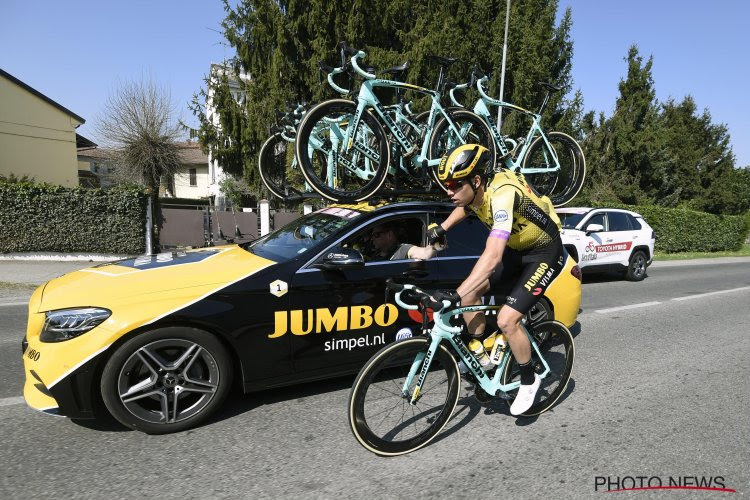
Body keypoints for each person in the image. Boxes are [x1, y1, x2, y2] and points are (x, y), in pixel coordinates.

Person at [429, 143, 565, 416]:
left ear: (476, 180)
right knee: (470, 295)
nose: (449, 191)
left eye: (455, 184)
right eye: (447, 185)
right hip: (518, 251)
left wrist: (454, 295)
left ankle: (529, 379)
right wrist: (442, 228)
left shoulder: (503, 195)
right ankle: (482, 356)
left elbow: (491, 257)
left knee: (506, 319)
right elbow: (467, 207)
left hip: (545, 251)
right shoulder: (475, 193)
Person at [369, 222, 437, 261]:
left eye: (376, 235)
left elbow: (426, 254)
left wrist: (436, 241)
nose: (372, 239)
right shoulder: (375, 254)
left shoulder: (403, 249)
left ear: (389, 235)